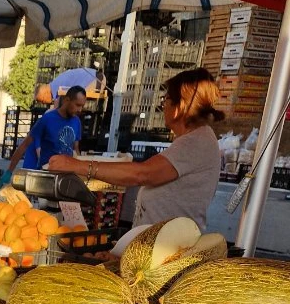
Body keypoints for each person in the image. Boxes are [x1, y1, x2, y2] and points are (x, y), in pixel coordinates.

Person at [48, 68, 223, 231]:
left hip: (170, 248)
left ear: (179, 106)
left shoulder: (196, 142)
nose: (163, 106)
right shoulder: (194, 139)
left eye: (166, 99)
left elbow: (142, 174)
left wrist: (76, 165)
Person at [7, 86, 86, 172]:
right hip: (47, 173)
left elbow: (75, 149)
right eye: (78, 105)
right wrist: (9, 171)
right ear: (67, 100)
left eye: (82, 106)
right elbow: (25, 145)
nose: (80, 110)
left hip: (66, 174)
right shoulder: (47, 119)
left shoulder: (76, 122)